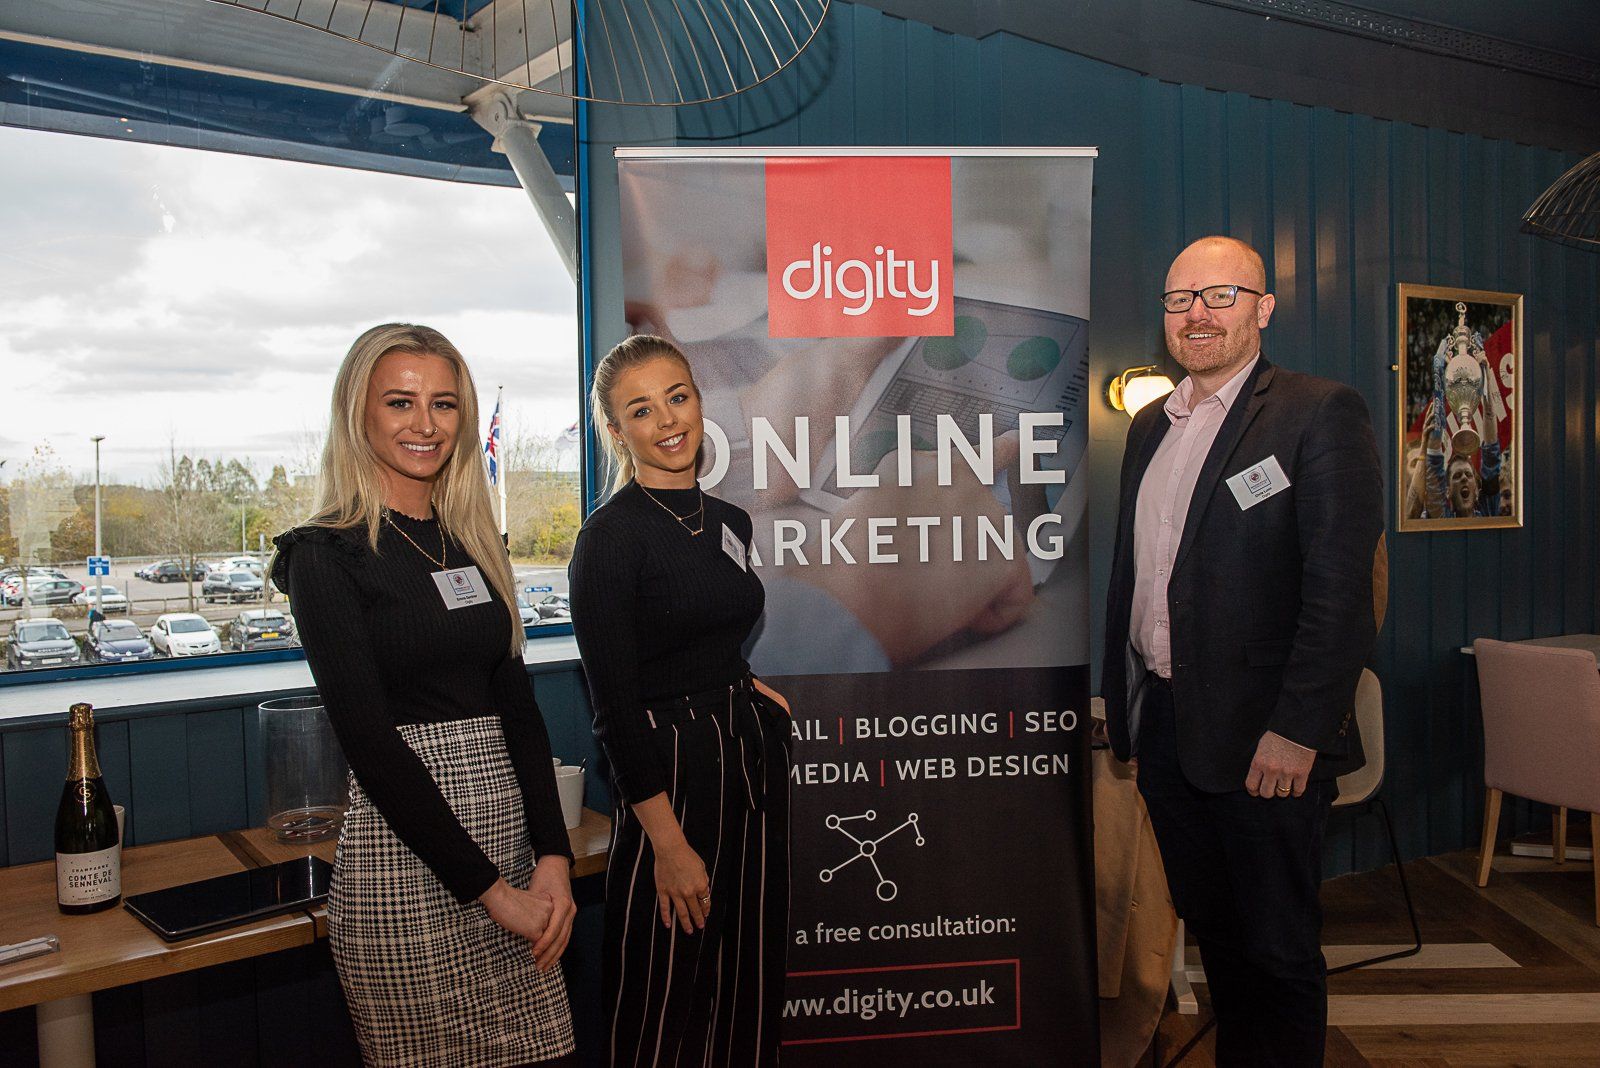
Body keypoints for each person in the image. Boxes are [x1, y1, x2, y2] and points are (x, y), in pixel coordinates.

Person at [1102, 238, 1382, 1066]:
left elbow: (1341, 593)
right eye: (1180, 298)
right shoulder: (1151, 425)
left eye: (1220, 296)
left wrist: (1299, 730)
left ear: (1263, 308)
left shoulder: (1317, 411)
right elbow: (1143, 575)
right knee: (1221, 944)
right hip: (1167, 734)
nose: (1196, 314)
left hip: (1269, 744)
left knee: (1278, 952)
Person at [270, 323, 577, 1067]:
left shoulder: (472, 539)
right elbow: (372, 746)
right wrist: (492, 894)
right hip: (409, 866)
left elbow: (520, 713)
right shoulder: (324, 554)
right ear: (359, 414)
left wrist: (553, 856)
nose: (424, 424)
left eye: (443, 404)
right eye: (400, 402)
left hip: (509, 849)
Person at [569, 334, 792, 1067]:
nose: (668, 420)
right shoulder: (607, 542)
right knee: (667, 989)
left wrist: (741, 685)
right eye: (641, 409)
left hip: (746, 760)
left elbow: (707, 628)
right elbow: (614, 706)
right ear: (616, 429)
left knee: (747, 976)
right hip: (668, 775)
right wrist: (665, 842)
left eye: (678, 396)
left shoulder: (730, 521)